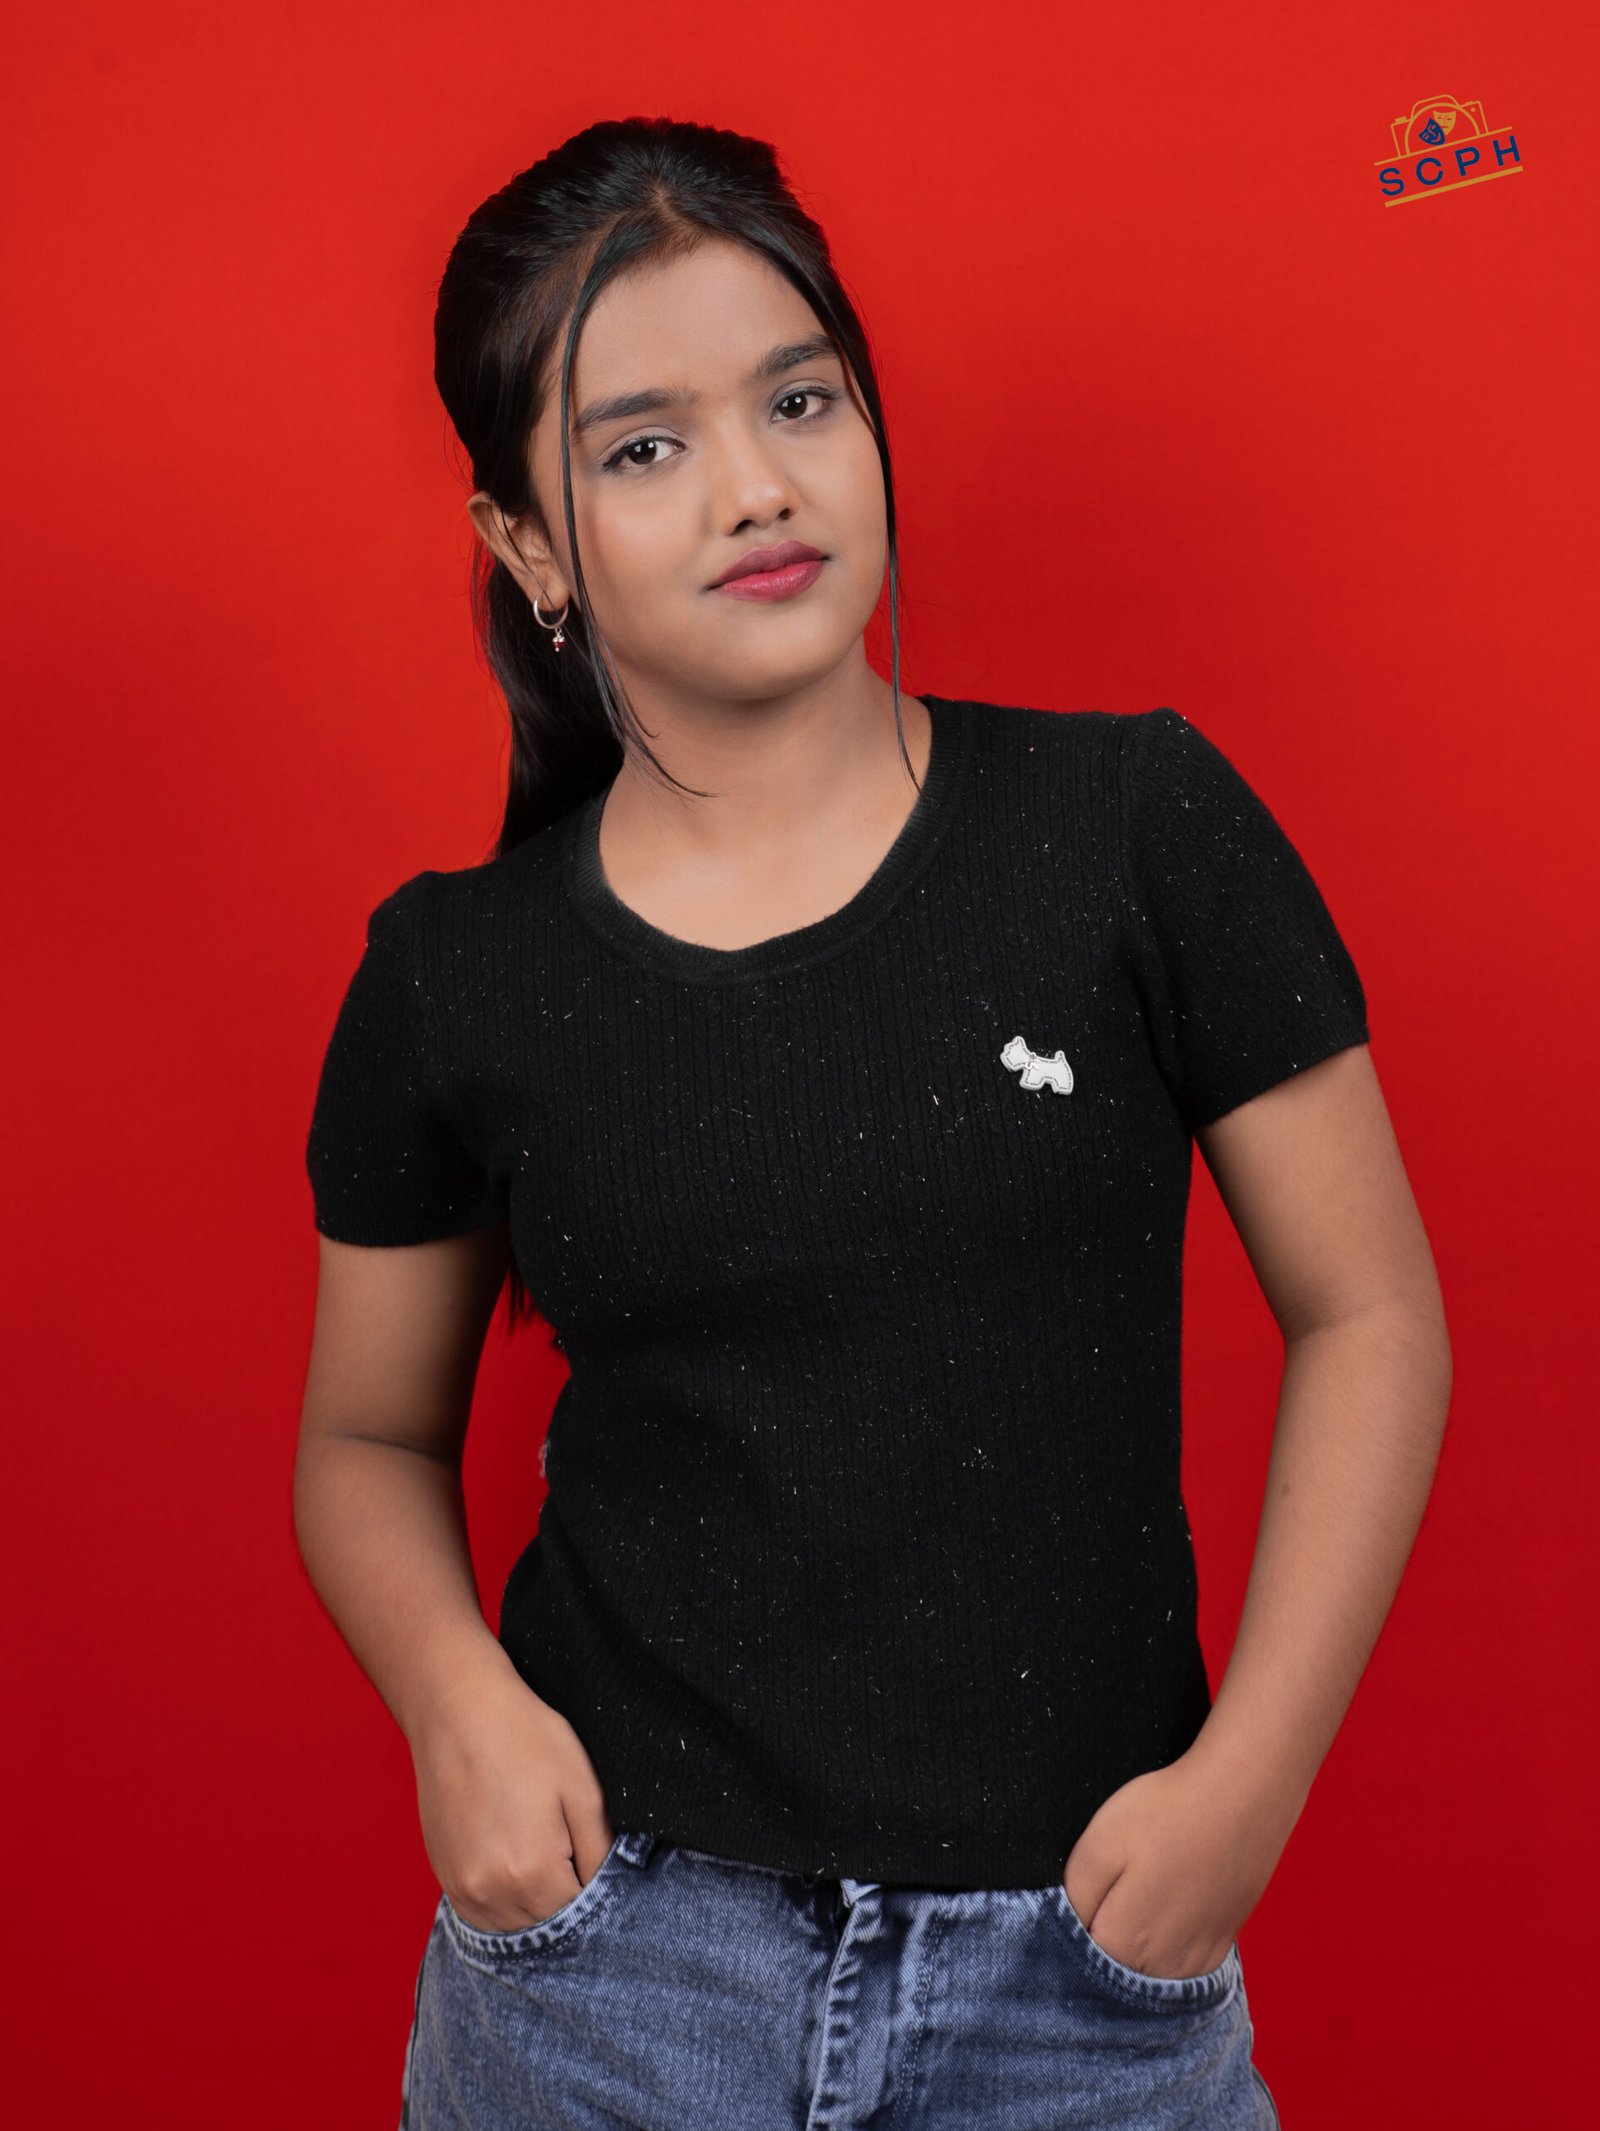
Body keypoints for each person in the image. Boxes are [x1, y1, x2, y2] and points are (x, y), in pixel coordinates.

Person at [295, 116, 1452, 2131]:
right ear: (528, 548)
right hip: (610, 1975)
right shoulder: (455, 973)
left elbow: (1372, 1315)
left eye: (799, 398)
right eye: (640, 447)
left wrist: (1247, 1786)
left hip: (1079, 1971)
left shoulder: (1131, 829)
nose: (755, 484)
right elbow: (363, 1439)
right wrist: (458, 1706)